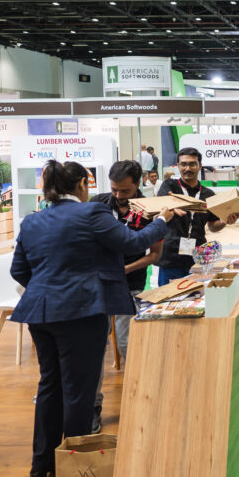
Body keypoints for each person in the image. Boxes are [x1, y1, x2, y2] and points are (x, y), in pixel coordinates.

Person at [10, 161, 173, 477]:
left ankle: (41, 465)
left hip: (40, 313)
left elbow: (19, 271)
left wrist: (48, 290)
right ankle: (76, 469)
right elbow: (131, 243)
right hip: (82, 312)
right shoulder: (92, 213)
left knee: (49, 386)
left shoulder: (33, 220)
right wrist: (162, 221)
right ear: (83, 184)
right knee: (79, 392)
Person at [90, 160, 163, 433]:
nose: (119, 195)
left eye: (125, 191)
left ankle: (138, 402)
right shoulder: (98, 204)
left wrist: (125, 269)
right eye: (115, 190)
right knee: (95, 349)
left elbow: (155, 255)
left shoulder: (151, 209)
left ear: (138, 184)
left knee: (129, 344)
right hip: (97, 287)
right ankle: (93, 407)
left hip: (130, 286)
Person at [154, 148, 239, 286]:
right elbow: (159, 211)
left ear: (200, 166)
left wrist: (224, 221)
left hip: (199, 258)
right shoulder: (169, 187)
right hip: (171, 257)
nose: (187, 168)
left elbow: (212, 226)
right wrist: (170, 207)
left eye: (192, 164)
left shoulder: (208, 194)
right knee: (168, 296)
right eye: (183, 164)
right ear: (178, 166)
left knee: (198, 296)